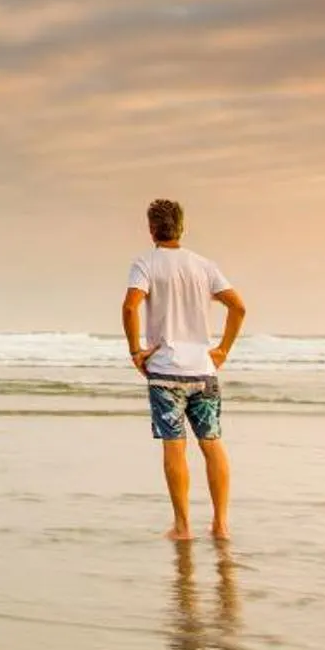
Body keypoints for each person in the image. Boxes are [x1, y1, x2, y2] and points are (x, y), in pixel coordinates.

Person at [121, 198, 248, 540]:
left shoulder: (146, 263)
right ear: (182, 227)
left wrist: (136, 352)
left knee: (174, 446)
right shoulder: (204, 265)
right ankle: (221, 525)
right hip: (203, 371)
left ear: (151, 229)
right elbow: (238, 307)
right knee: (212, 442)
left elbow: (131, 308)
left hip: (165, 371)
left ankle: (182, 526)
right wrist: (222, 350)